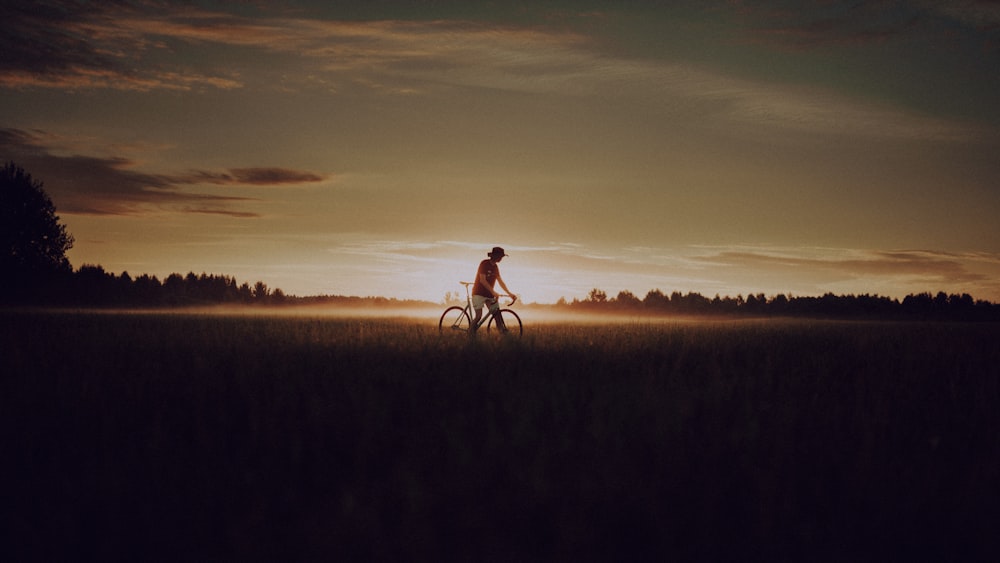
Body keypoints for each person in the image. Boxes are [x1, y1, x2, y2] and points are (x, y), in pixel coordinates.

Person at [471, 246, 517, 330]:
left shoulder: (495, 267)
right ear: (495, 256)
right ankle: (470, 334)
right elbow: (482, 280)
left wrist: (509, 294)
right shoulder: (484, 263)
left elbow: (500, 282)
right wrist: (493, 292)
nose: (501, 258)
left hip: (489, 294)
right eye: (500, 256)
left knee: (498, 317)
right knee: (478, 316)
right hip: (478, 293)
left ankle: (504, 337)